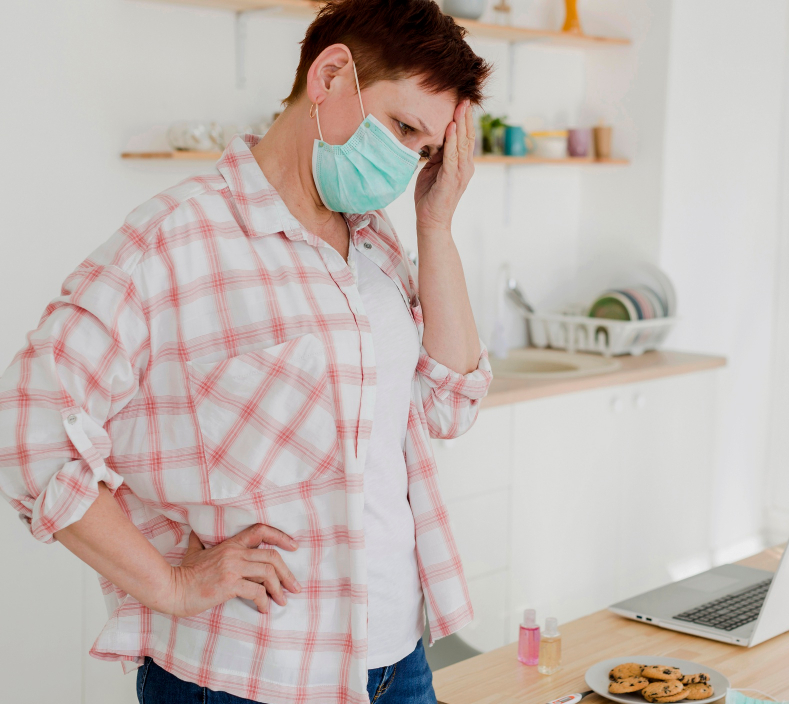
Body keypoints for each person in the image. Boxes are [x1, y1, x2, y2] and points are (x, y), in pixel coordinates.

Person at [0, 1, 492, 702]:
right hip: (247, 674)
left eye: (425, 149)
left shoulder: (377, 243)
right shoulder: (177, 238)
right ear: (330, 76)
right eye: (404, 127)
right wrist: (172, 582)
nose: (407, 163)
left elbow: (450, 404)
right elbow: (29, 427)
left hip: (397, 661)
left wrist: (435, 222)